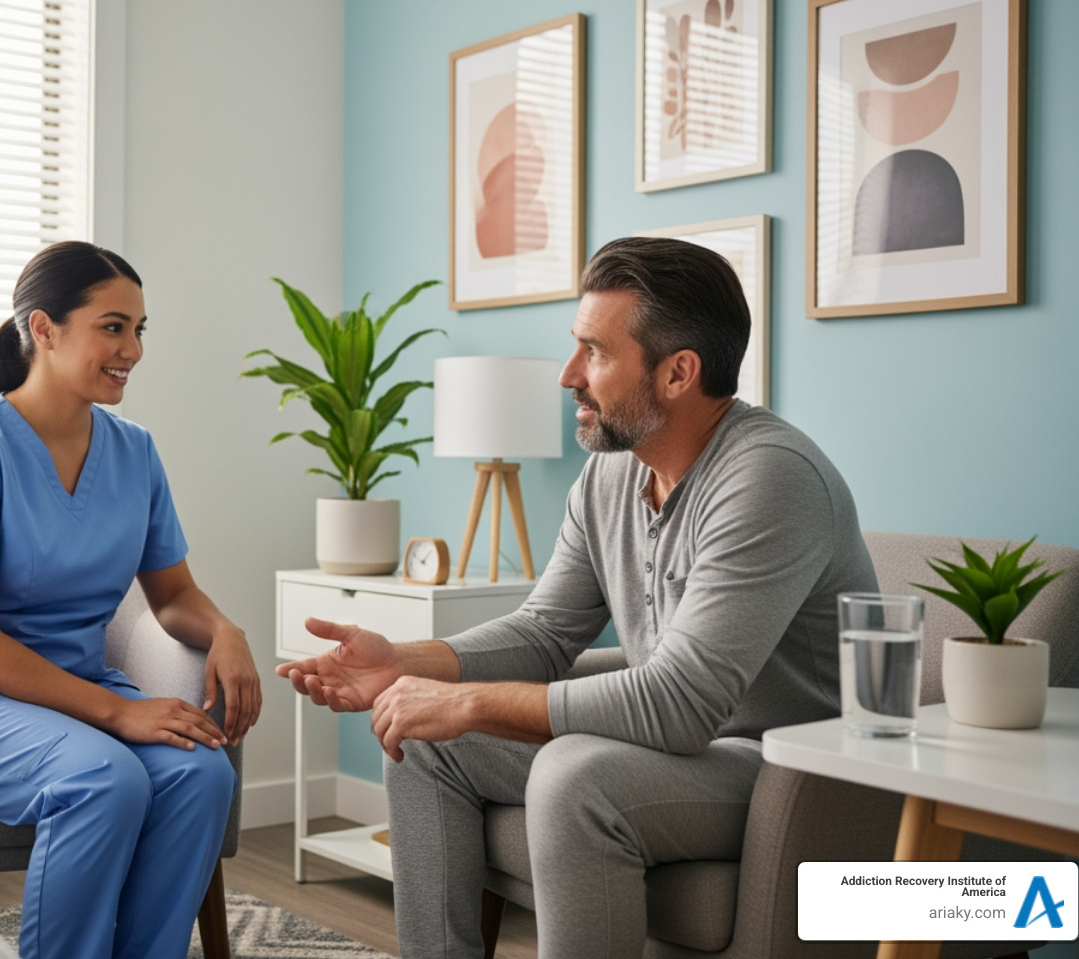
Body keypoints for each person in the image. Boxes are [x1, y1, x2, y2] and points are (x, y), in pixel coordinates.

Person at [277, 237, 878, 959]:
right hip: (686, 751)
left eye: (593, 352)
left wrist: (472, 699)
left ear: (678, 372)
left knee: (572, 776)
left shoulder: (769, 478)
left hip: (788, 770)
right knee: (426, 742)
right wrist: (404, 664)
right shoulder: (612, 476)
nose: (569, 376)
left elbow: (680, 705)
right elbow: (544, 632)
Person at [0, 241, 261, 959]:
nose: (133, 349)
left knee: (202, 775)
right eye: (113, 327)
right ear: (44, 329)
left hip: (70, 685)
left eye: (140, 330)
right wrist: (120, 710)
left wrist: (226, 631)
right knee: (101, 779)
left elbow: (172, 594)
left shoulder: (134, 451)